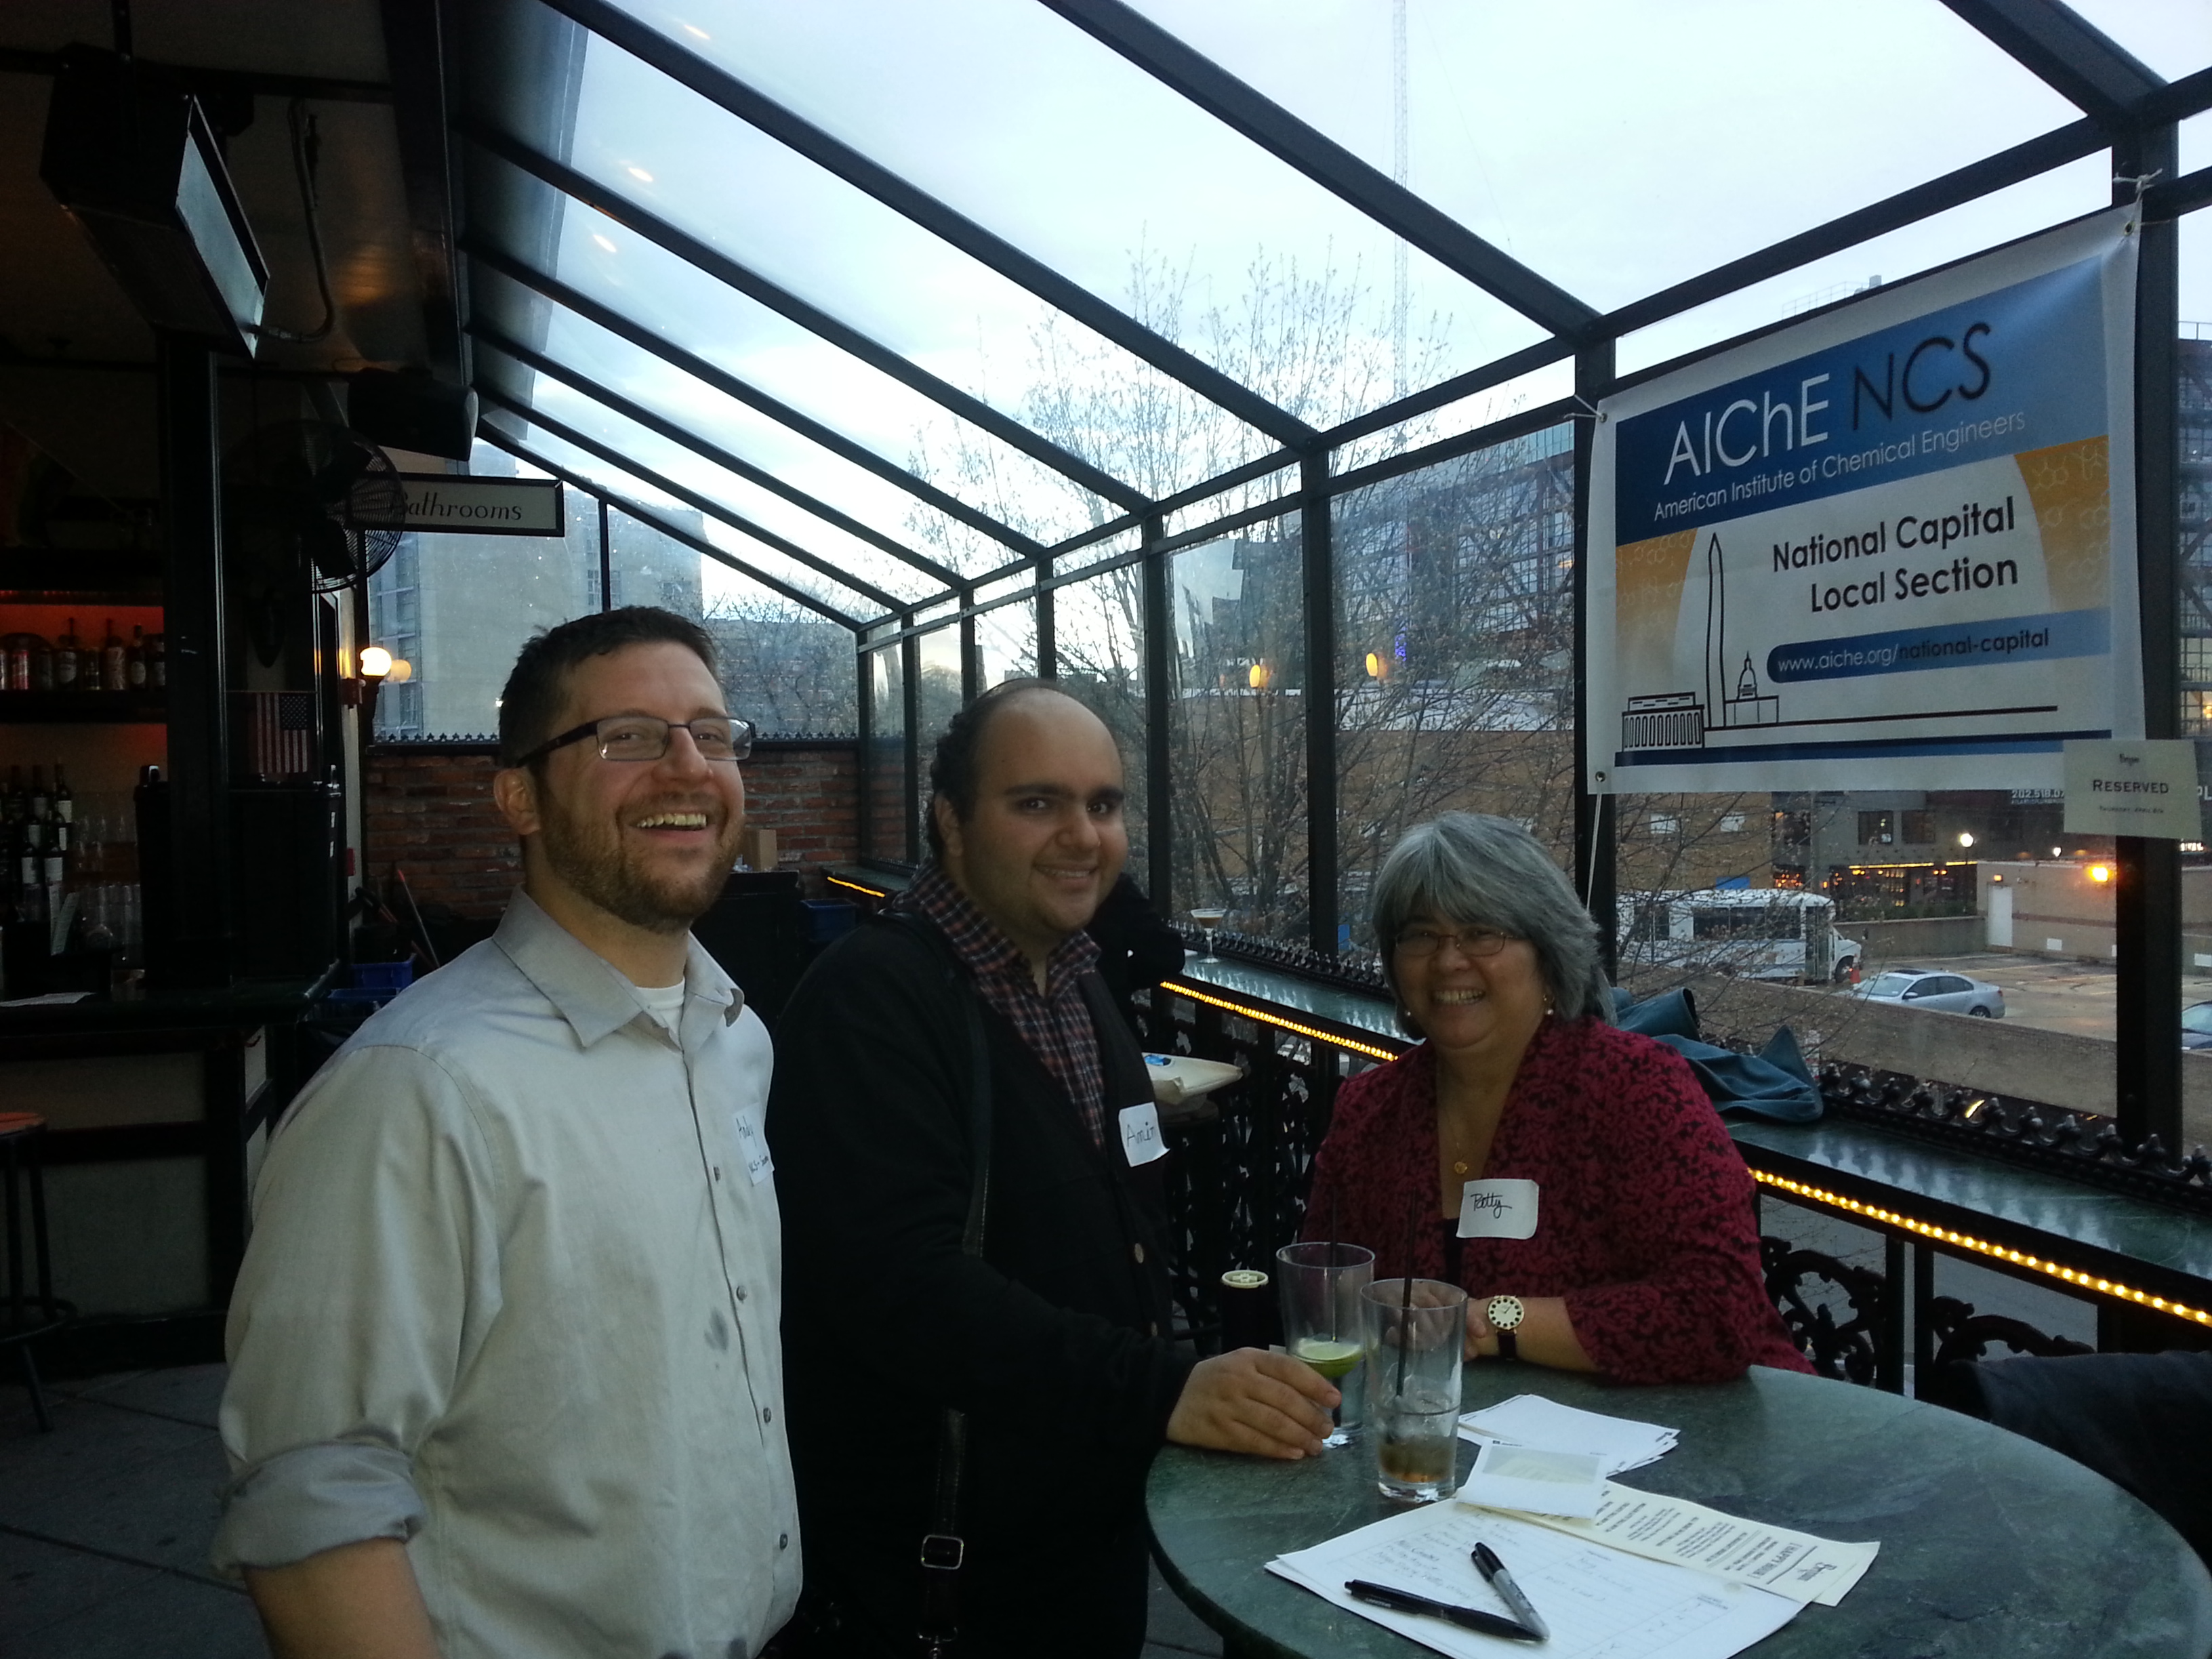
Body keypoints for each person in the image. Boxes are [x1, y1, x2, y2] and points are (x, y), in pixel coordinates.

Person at [214, 608, 800, 1658]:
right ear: (520, 798)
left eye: (712, 735)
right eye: (627, 737)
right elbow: (314, 1493)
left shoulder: (733, 1039)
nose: (687, 767)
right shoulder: (418, 1088)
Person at [767, 680, 1336, 1659]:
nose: (1083, 836)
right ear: (951, 821)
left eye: (1103, 805)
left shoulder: (1077, 982)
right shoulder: (871, 1001)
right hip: (947, 1583)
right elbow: (904, 1288)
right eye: (1038, 803)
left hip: (1086, 1544)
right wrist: (1162, 1390)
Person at [1304, 813, 1810, 1384]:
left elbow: (1719, 1311)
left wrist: (1488, 1322)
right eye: (1420, 935)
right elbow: (1321, 1294)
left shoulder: (1633, 1087)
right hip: (1441, 1427)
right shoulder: (1370, 1110)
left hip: (1683, 1427)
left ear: (1547, 954)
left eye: (1482, 932)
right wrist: (1379, 1308)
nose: (1448, 961)